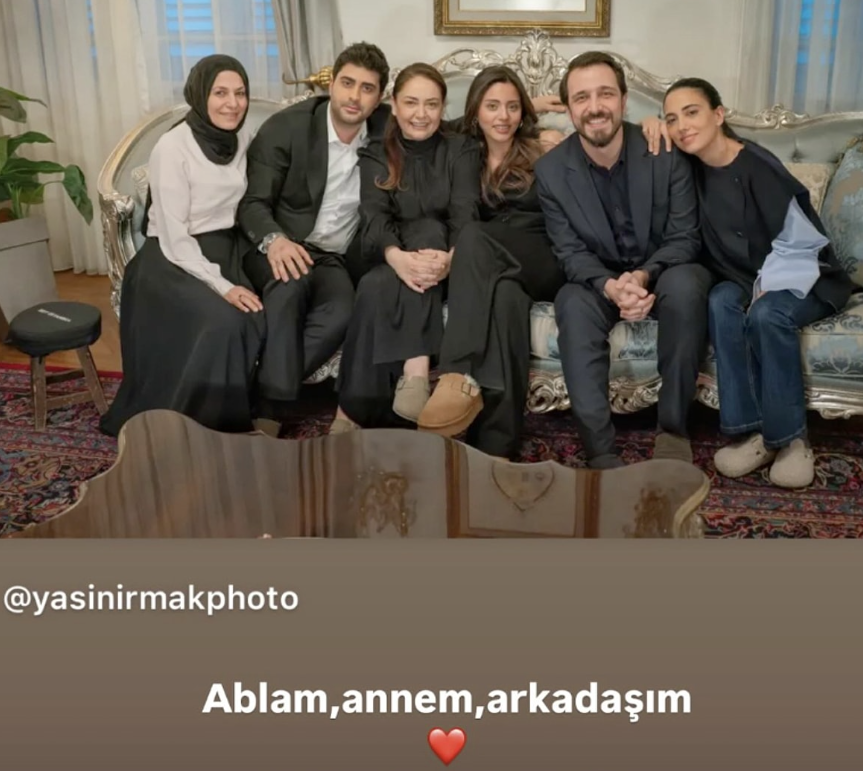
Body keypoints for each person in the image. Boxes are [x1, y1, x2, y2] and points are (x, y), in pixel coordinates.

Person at [663, 78, 854, 487]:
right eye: (671, 119)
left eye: (691, 113)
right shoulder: (687, 168)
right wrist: (649, 124)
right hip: (741, 277)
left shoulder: (757, 165)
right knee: (720, 301)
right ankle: (752, 433)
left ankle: (791, 439)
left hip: (805, 273)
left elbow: (801, 240)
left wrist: (770, 282)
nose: (682, 126)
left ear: (719, 114)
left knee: (767, 314)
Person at [535, 51, 714, 469]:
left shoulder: (665, 151)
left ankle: (673, 430)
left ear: (624, 99)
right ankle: (600, 450)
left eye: (605, 94)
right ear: (569, 109)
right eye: (581, 98)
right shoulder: (550, 171)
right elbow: (569, 251)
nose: (595, 107)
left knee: (687, 285)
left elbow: (685, 236)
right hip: (599, 280)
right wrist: (610, 286)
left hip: (663, 269)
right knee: (570, 302)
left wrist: (644, 275)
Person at [100, 55, 265, 438]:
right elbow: (175, 236)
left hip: (225, 249)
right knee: (223, 323)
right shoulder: (172, 147)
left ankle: (229, 418)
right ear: (200, 94)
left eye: (240, 93)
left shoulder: (243, 139)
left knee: (254, 317)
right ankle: (188, 429)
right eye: (220, 93)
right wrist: (223, 286)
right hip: (170, 257)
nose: (233, 103)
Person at [413, 65, 566, 460]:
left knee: (473, 236)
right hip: (499, 271)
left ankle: (457, 373)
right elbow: (427, 122)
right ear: (475, 111)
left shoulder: (542, 149)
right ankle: (497, 445)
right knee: (506, 300)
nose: (504, 117)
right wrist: (529, 103)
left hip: (541, 258)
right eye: (493, 106)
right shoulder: (464, 151)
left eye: (513, 107)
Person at [236, 42, 390, 430]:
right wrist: (275, 240)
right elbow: (252, 202)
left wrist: (528, 107)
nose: (354, 97)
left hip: (331, 258)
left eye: (367, 88)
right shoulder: (287, 128)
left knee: (343, 311)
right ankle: (269, 412)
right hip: (277, 243)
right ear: (331, 84)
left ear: (379, 98)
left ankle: (250, 385)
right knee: (291, 284)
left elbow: (443, 126)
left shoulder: (387, 129)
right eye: (347, 83)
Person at [330, 63, 483, 431]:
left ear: (443, 108)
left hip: (443, 261)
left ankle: (349, 412)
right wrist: (396, 257)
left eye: (432, 104)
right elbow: (374, 217)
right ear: (394, 106)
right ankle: (415, 371)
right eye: (411, 103)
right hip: (381, 253)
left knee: (383, 278)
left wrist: (451, 259)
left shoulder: (461, 149)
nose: (421, 114)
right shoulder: (375, 153)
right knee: (387, 267)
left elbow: (464, 214)